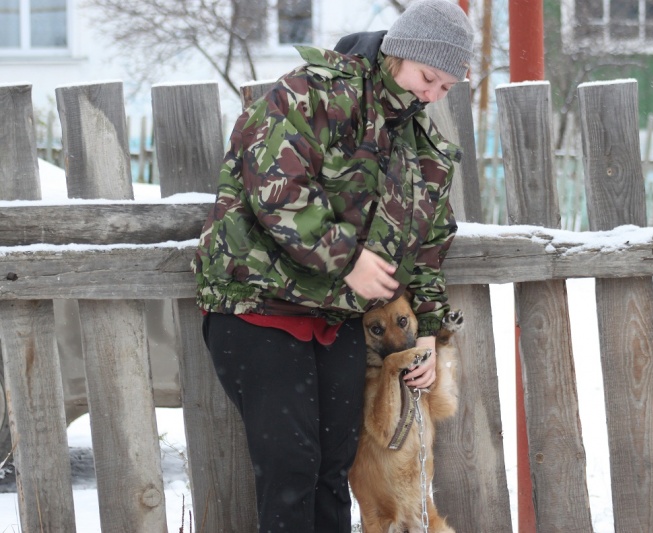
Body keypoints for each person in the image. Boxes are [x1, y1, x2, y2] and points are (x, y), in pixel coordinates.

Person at [192, 1, 474, 531]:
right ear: (398, 54)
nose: (433, 95)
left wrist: (429, 332)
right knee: (291, 466)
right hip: (259, 306)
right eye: (428, 78)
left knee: (333, 466)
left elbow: (429, 244)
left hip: (336, 319)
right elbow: (276, 189)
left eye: (446, 87)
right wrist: (347, 260)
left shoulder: (420, 146)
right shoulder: (311, 94)